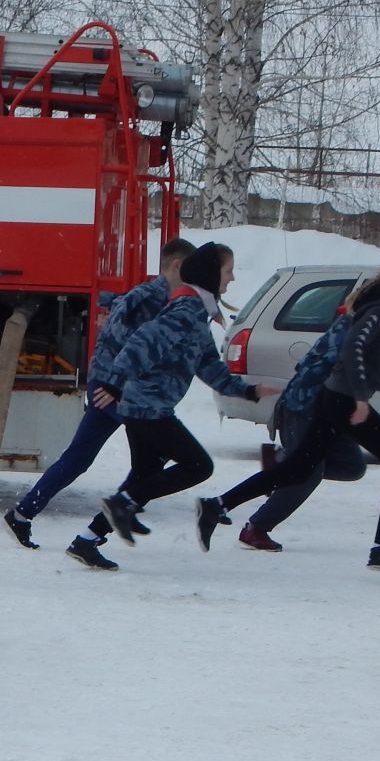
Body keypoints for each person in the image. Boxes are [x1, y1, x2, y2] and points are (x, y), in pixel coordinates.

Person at [197, 249, 380, 571]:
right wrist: (361, 397)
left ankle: (217, 505)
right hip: (339, 399)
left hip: (333, 396)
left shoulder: (378, 304)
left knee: (303, 467)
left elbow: (376, 359)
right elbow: (353, 349)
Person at [60, 242, 276, 569]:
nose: (231, 279)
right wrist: (114, 382)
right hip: (147, 407)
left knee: (145, 477)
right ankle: (122, 505)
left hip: (144, 405)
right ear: (209, 274)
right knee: (198, 466)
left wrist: (248, 392)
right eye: (228, 271)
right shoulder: (186, 313)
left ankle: (87, 540)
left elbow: (208, 366)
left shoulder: (196, 314)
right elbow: (142, 342)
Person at [0, 236, 195, 549]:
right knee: (153, 455)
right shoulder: (147, 298)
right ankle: (117, 513)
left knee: (80, 457)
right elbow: (115, 341)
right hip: (116, 390)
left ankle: (22, 515)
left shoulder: (168, 300)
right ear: (178, 266)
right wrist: (111, 384)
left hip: (116, 388)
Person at [233, 293, 380, 552]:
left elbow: (378, 365)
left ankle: (282, 464)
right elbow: (371, 372)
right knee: (307, 473)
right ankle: (256, 528)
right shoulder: (351, 332)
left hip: (331, 410)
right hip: (304, 407)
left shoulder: (362, 327)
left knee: (351, 467)